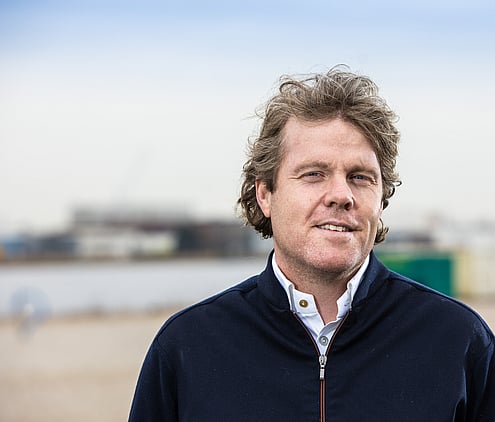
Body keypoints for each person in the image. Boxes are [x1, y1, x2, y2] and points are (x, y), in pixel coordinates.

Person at [129, 66, 495, 421]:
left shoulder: (460, 341)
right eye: (314, 174)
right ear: (265, 194)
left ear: (381, 199)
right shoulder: (188, 346)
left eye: (360, 177)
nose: (341, 195)